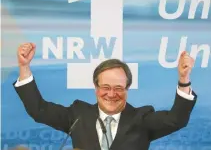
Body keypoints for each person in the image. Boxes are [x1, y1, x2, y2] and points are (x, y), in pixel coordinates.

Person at [14, 43, 197, 150]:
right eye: (105, 87)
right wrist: (24, 67)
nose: (111, 94)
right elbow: (39, 110)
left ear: (127, 88)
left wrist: (183, 79)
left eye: (118, 88)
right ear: (96, 87)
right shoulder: (78, 114)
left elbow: (176, 120)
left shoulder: (142, 118)